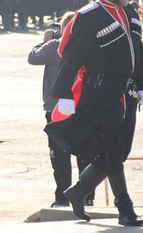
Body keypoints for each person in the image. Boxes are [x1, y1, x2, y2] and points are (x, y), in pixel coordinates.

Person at [45, 0, 143, 226]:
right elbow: (70, 56)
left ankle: (79, 190)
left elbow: (140, 52)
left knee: (119, 150)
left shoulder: (132, 13)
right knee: (113, 149)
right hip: (100, 91)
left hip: (128, 94)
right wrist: (64, 94)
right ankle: (124, 209)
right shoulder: (88, 16)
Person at [28, 12, 95, 208]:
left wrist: (44, 40)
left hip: (56, 108)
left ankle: (63, 196)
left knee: (59, 155)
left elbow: (32, 57)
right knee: (85, 151)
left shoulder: (53, 46)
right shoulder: (89, 46)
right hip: (83, 106)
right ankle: (87, 195)